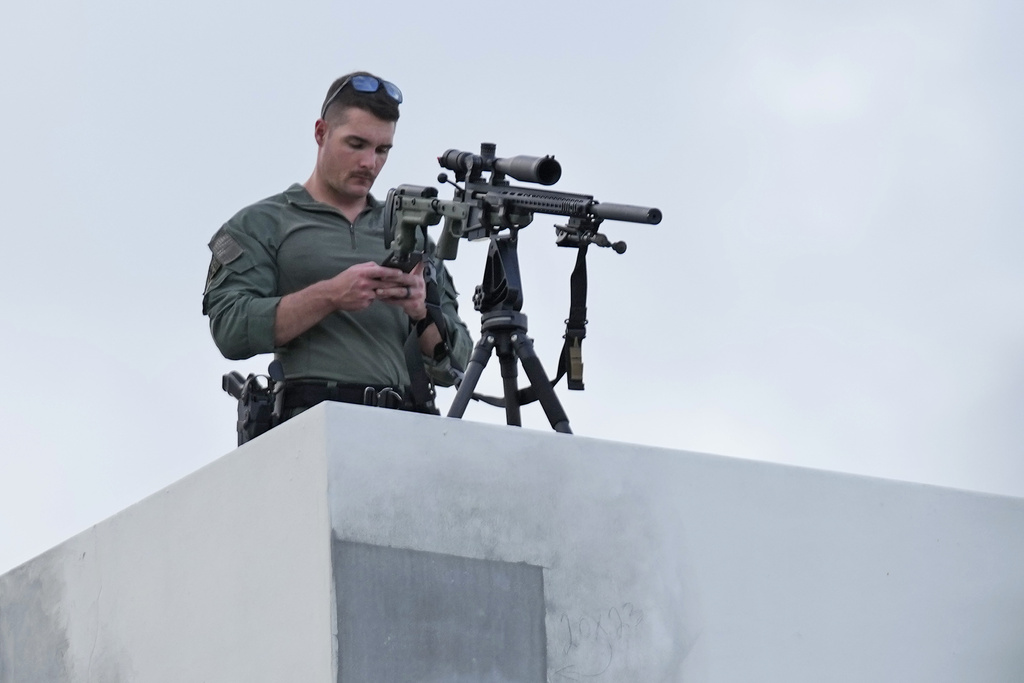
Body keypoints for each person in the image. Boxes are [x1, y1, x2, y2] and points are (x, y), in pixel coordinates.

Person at [203, 72, 473, 419]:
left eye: (382, 150)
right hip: (310, 425)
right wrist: (331, 295)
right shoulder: (260, 224)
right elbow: (229, 329)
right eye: (356, 144)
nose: (369, 163)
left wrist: (421, 311)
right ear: (321, 132)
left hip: (404, 425)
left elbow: (457, 362)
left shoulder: (411, 232)